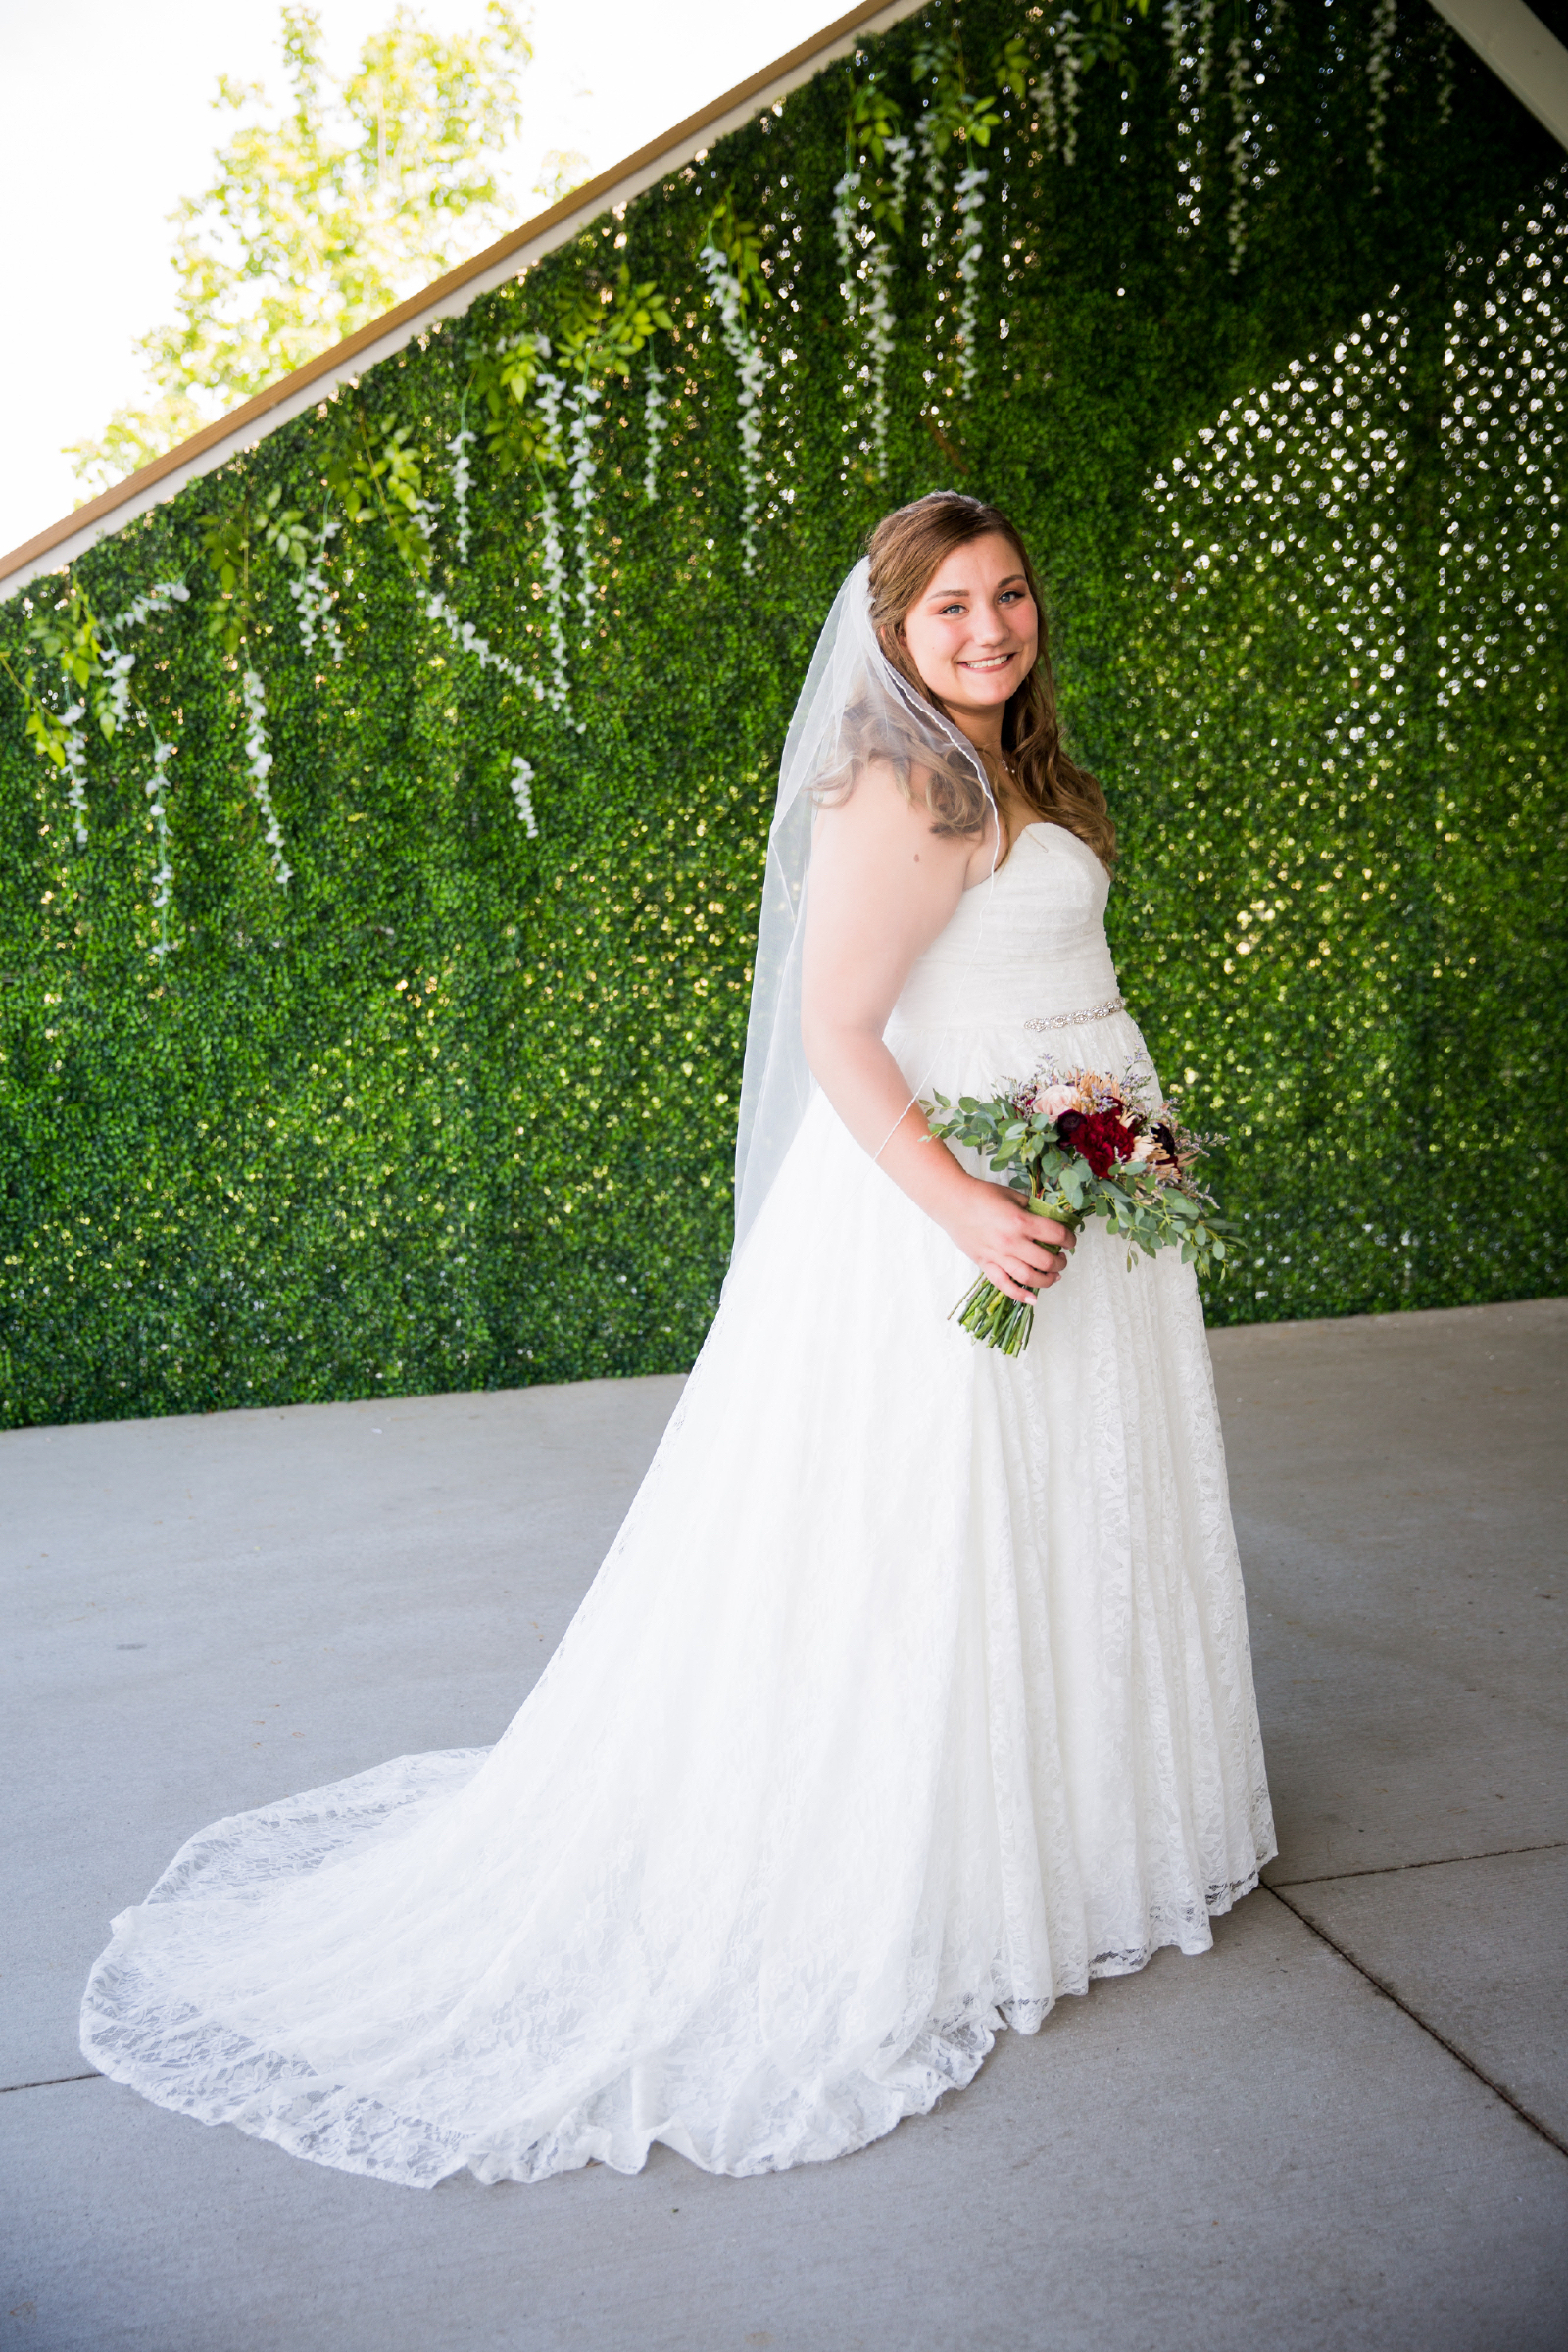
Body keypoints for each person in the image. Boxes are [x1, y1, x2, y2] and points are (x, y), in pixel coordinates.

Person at [82, 492, 1275, 2189]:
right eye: (948, 610)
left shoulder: (1029, 776)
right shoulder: (901, 784)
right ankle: (935, 1861)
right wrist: (966, 1208)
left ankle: (1076, 1843)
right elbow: (842, 1031)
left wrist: (1105, 1150)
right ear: (891, 631)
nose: (988, 631)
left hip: (1077, 1205)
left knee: (1067, 1512)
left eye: (1007, 598)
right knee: (932, 1546)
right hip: (958, 1221)